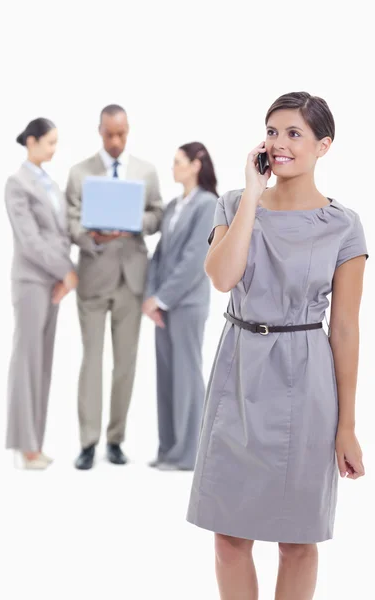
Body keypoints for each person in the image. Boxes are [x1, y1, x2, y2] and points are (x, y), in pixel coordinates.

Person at [186, 92, 368, 599]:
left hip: (305, 378)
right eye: (272, 131)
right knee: (227, 536)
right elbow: (223, 277)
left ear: (323, 146)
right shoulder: (233, 204)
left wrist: (347, 426)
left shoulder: (343, 225)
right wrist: (251, 194)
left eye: (294, 134)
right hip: (238, 371)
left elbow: (347, 329)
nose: (279, 143)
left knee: (297, 540)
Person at [66, 104, 163, 470]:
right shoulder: (79, 173)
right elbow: (70, 220)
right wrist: (93, 235)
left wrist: (135, 221)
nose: (116, 141)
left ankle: (115, 439)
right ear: (100, 131)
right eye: (110, 134)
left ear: (128, 130)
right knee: (92, 360)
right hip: (93, 275)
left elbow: (158, 215)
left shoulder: (146, 171)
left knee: (126, 364)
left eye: (121, 134)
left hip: (131, 279)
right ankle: (88, 442)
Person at [5, 118, 78, 470]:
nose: (54, 149)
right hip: (32, 281)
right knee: (26, 360)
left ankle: (35, 442)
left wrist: (66, 273)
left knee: (43, 362)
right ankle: (24, 446)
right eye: (49, 142)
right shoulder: (17, 184)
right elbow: (30, 240)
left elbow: (61, 233)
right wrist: (64, 270)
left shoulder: (49, 182)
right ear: (31, 142)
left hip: (52, 282)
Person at [143, 142, 218, 471]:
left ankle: (188, 455)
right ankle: (168, 450)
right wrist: (151, 297)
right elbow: (158, 255)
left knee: (187, 375)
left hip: (187, 304)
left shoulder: (208, 205)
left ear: (195, 164)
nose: (172, 167)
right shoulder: (174, 205)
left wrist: (162, 298)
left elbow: (194, 260)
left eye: (178, 162)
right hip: (163, 306)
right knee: (167, 376)